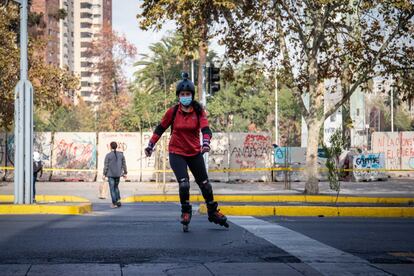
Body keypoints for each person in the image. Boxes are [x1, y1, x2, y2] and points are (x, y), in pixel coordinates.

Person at [144, 72, 228, 231]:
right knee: (184, 184)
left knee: (205, 185)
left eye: (187, 94)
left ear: (192, 95)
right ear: (178, 96)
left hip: (195, 152)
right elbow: (160, 129)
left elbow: (206, 129)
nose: (185, 97)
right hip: (177, 153)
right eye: (182, 94)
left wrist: (205, 144)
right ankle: (185, 211)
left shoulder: (198, 111)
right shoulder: (173, 112)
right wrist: (150, 145)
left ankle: (212, 211)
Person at [103, 142, 127, 208]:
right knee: (116, 187)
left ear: (110, 147)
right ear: (116, 147)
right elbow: (124, 164)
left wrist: (104, 174)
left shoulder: (108, 155)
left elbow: (106, 166)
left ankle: (114, 203)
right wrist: (125, 173)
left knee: (112, 189)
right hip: (118, 174)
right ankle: (118, 200)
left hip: (110, 175)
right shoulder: (121, 155)